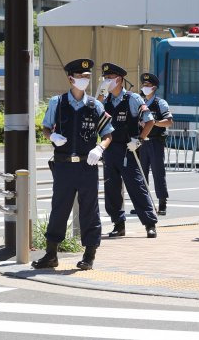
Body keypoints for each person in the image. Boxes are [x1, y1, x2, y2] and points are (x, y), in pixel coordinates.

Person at [32, 59, 114, 271]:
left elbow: (107, 134)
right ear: (70, 79)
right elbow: (46, 128)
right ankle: (51, 254)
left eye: (87, 77)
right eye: (80, 77)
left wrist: (100, 148)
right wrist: (52, 137)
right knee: (59, 208)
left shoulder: (95, 105)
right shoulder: (57, 103)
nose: (84, 80)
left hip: (87, 165)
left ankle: (89, 255)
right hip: (64, 165)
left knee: (90, 210)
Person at [99, 62, 159, 238]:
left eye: (109, 78)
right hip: (110, 149)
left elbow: (150, 121)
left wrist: (139, 140)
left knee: (136, 186)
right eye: (105, 78)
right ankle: (118, 224)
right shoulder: (105, 100)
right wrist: (100, 96)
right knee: (112, 188)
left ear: (119, 79)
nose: (106, 81)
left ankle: (149, 223)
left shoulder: (132, 99)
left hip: (128, 149)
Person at [136, 73, 173, 216]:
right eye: (143, 85)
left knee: (158, 173)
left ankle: (162, 203)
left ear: (154, 87)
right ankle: (143, 203)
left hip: (156, 141)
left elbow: (169, 121)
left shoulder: (160, 103)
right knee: (141, 174)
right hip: (142, 142)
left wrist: (153, 123)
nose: (145, 88)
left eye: (148, 85)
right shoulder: (141, 103)